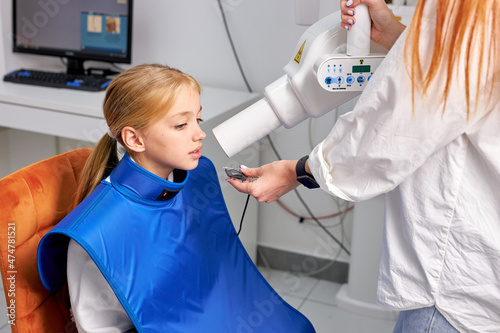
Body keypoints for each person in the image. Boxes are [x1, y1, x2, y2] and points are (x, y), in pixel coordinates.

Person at [228, 0, 500, 332]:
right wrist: (402, 38)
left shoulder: (471, 12)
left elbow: (392, 130)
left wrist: (294, 172)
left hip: (457, 294)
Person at [37, 64, 316, 333]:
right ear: (134, 139)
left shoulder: (196, 177)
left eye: (198, 119)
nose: (199, 133)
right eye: (182, 124)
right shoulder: (94, 233)